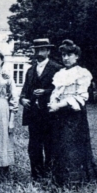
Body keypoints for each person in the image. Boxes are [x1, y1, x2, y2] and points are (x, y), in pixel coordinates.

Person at [47, 39, 97, 187]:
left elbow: (81, 97)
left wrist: (60, 105)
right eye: (63, 55)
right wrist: (53, 102)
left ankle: (74, 181)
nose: (66, 58)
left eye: (69, 55)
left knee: (72, 146)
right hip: (59, 115)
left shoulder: (82, 73)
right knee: (59, 145)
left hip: (73, 115)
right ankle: (60, 179)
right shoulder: (60, 73)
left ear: (76, 56)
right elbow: (56, 91)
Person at [19, 38, 63, 180]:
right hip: (33, 113)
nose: (39, 52)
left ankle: (50, 174)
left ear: (48, 51)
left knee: (50, 144)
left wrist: (45, 92)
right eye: (36, 50)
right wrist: (23, 99)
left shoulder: (57, 68)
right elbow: (25, 89)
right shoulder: (30, 70)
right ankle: (36, 175)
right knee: (34, 146)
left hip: (50, 113)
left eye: (42, 49)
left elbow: (61, 90)